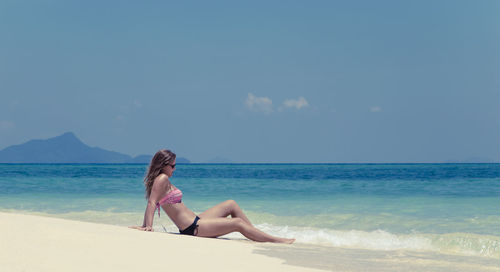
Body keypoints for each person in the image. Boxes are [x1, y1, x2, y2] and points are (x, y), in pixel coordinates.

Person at [130, 149, 295, 244]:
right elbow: (152, 202)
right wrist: (148, 226)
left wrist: (145, 224)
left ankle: (254, 233)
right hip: (192, 229)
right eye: (172, 165)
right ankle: (275, 240)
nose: (174, 169)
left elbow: (153, 201)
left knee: (231, 204)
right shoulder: (162, 179)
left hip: (196, 220)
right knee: (237, 223)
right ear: (164, 165)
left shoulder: (161, 180)